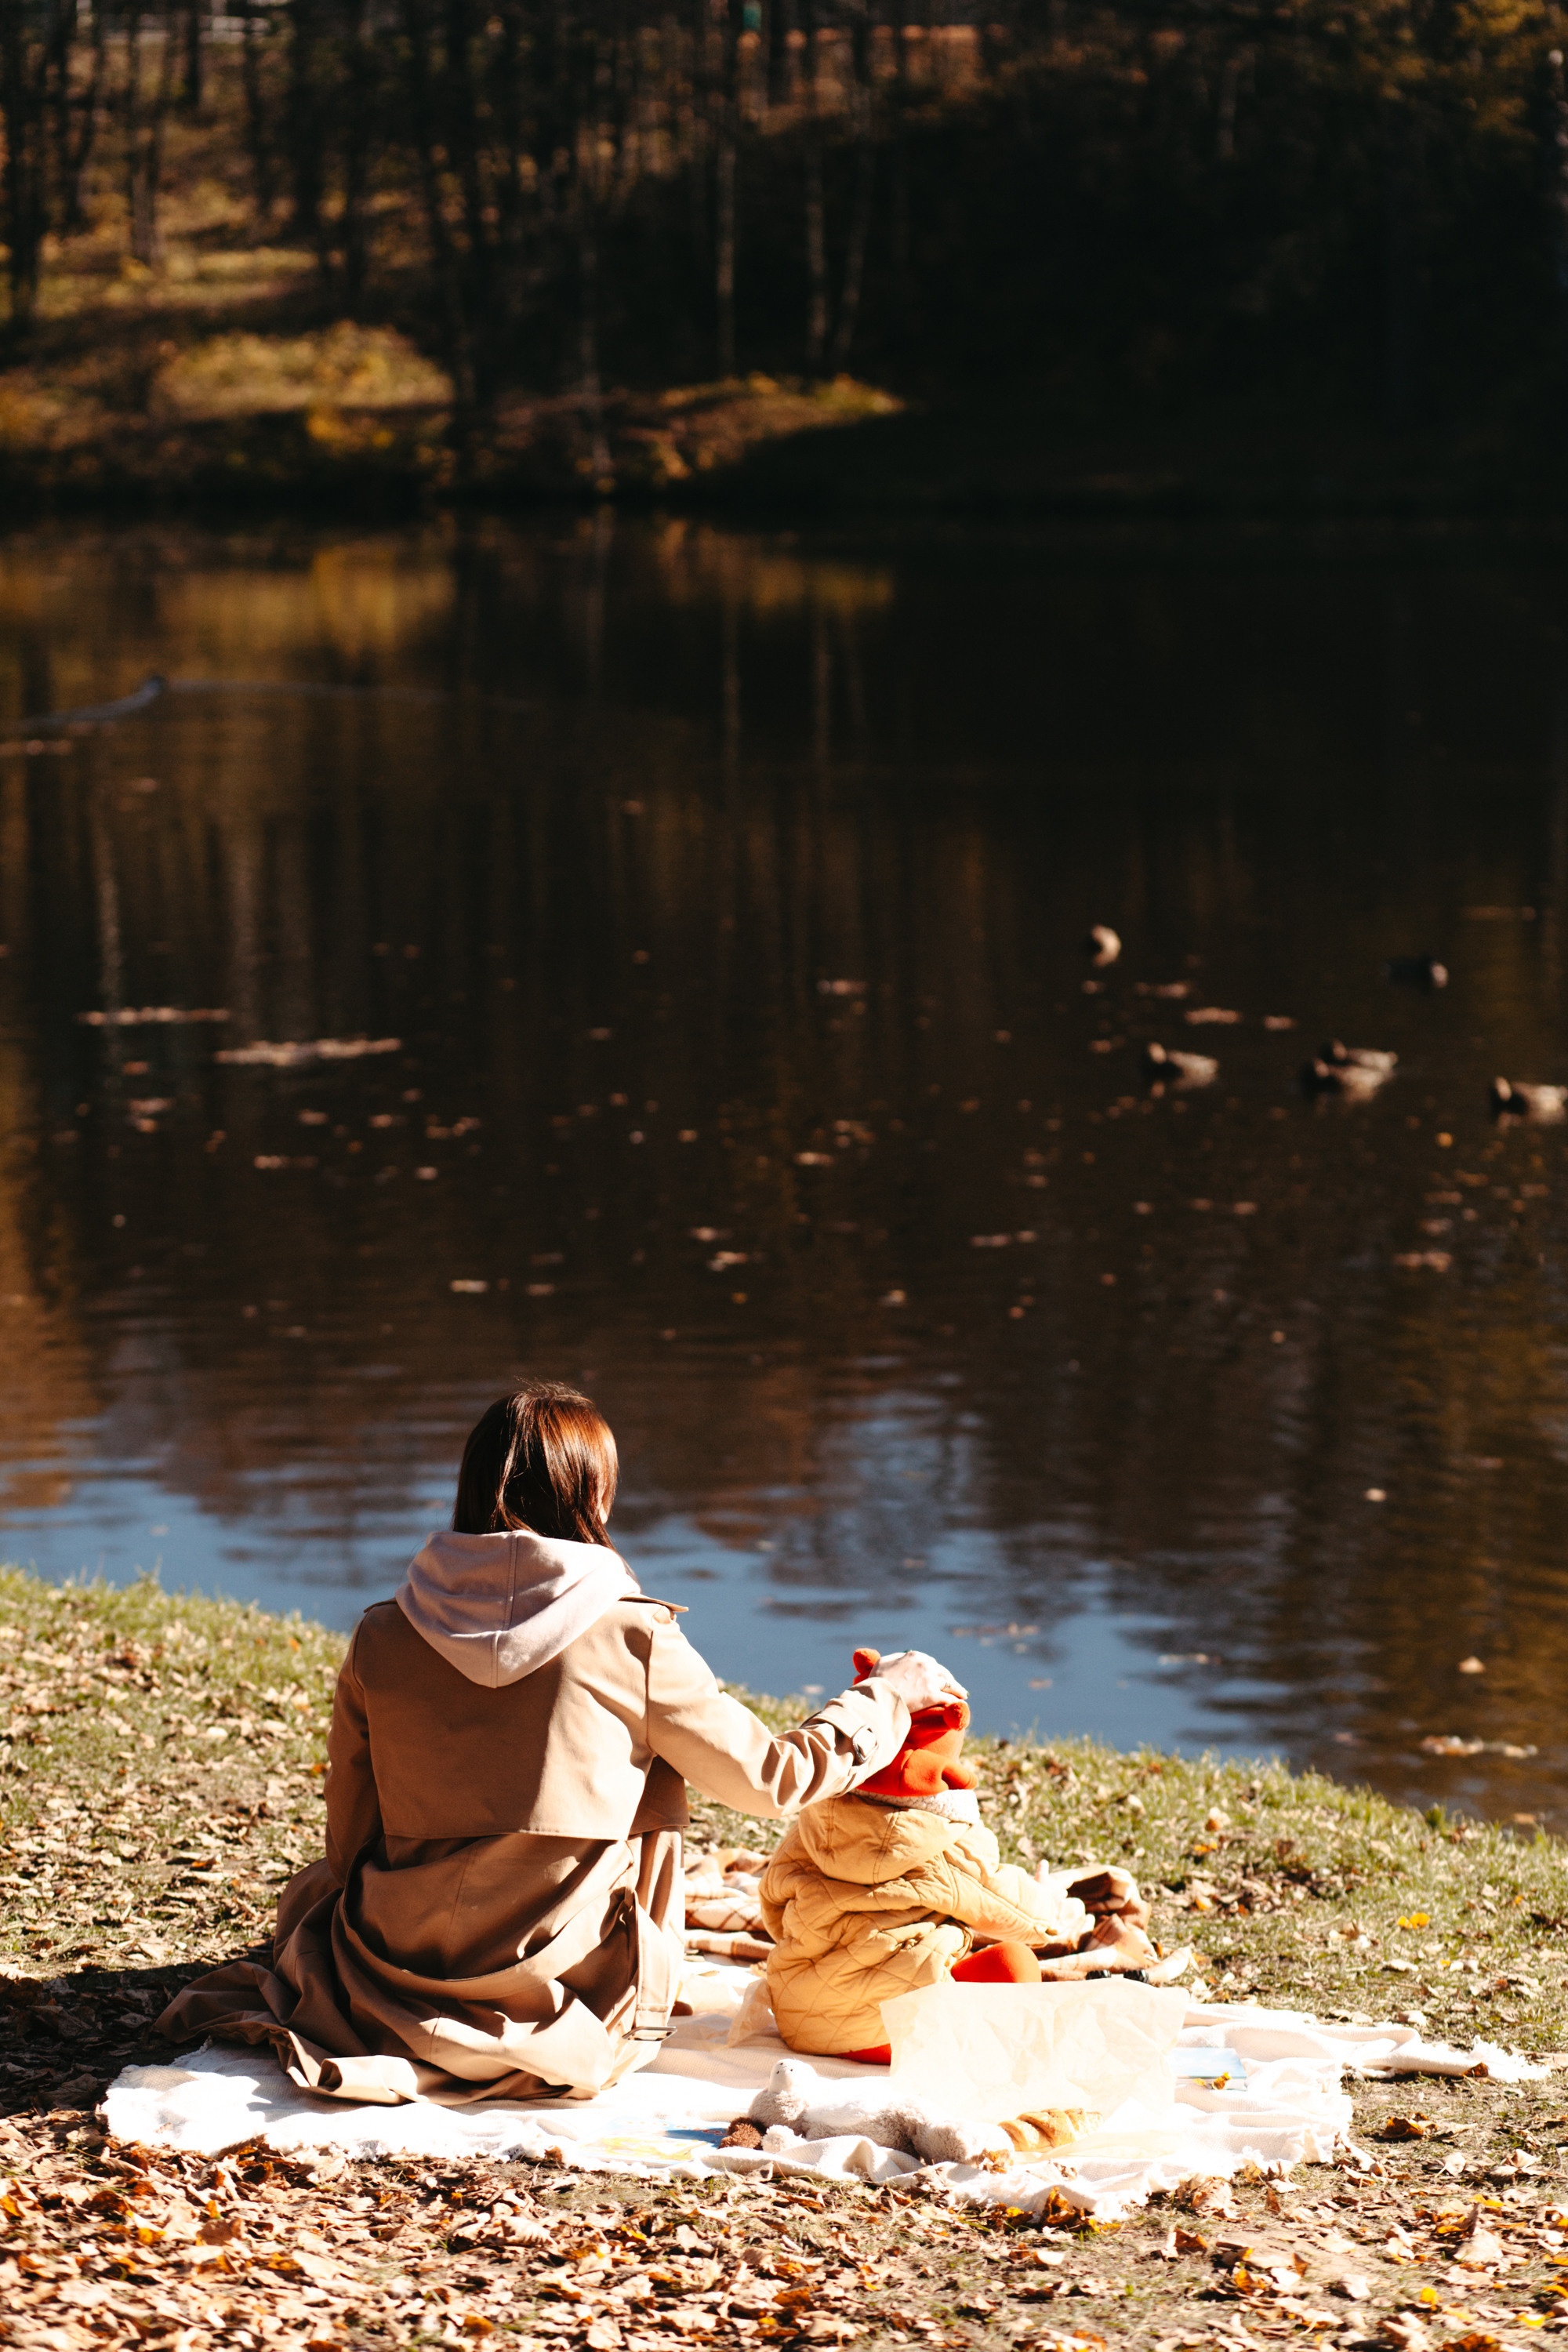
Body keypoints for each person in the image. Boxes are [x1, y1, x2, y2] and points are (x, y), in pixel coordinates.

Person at [157, 1381, 953, 2105]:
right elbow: (771, 1780)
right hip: (568, 1991)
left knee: (310, 1897)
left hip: (389, 1978)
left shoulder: (381, 1636)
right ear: (594, 1492)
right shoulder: (632, 1636)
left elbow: (349, 1842)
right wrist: (882, 1696)